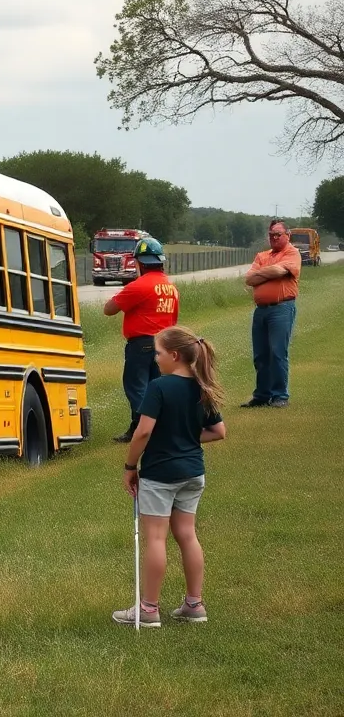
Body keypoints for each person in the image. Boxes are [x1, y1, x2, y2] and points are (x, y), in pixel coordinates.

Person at [113, 325, 227, 628]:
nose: (156, 359)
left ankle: (148, 609)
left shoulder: (159, 387)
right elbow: (218, 431)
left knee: (156, 537)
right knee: (187, 535)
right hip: (192, 473)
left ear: (174, 355)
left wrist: (129, 466)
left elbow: (144, 431)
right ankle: (194, 604)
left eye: (159, 353)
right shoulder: (203, 386)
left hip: (160, 474)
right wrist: (185, 436)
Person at [102, 237, 179, 442]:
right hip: (165, 343)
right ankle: (144, 427)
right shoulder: (171, 288)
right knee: (156, 386)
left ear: (140, 263)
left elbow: (109, 309)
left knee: (136, 387)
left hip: (142, 344)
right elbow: (174, 318)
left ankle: (146, 428)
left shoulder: (139, 286)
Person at [241, 219, 301, 408]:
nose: (274, 238)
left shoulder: (292, 253)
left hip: (281, 308)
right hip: (261, 310)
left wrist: (263, 273)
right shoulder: (262, 255)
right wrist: (272, 272)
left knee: (277, 353)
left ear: (287, 235)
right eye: (271, 235)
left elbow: (278, 270)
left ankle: (280, 395)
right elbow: (249, 279)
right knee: (260, 354)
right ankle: (262, 395)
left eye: (278, 234)